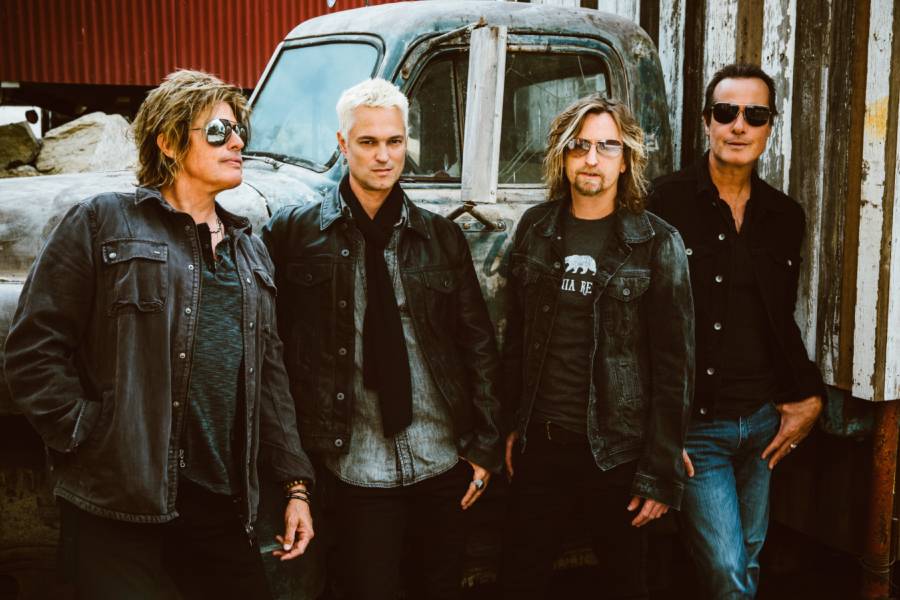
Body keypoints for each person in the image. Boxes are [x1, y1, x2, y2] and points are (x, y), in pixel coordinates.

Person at [3, 69, 315, 599]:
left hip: (218, 500)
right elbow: (33, 349)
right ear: (168, 142)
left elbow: (270, 380)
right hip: (118, 503)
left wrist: (295, 485)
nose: (237, 141)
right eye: (217, 131)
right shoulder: (102, 221)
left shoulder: (250, 250)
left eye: (239, 130)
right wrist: (89, 435)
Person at [262, 78, 503, 600]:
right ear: (342, 143)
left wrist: (484, 448)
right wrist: (295, 474)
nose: (383, 156)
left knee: (440, 588)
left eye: (394, 141)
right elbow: (272, 358)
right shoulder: (293, 235)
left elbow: (477, 344)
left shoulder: (440, 237)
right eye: (367, 142)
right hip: (354, 464)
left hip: (441, 458)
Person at [499, 94, 695, 599]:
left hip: (618, 453)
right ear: (562, 156)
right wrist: (511, 424)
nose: (592, 158)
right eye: (579, 146)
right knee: (519, 581)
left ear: (625, 160)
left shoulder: (657, 242)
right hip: (542, 445)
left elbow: (674, 366)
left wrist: (660, 469)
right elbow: (517, 337)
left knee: (625, 584)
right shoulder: (536, 228)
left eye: (607, 146)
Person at [650, 63, 825, 599]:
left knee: (746, 562)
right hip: (697, 427)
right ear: (707, 121)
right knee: (729, 573)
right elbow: (637, 323)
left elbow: (779, 319)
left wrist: (809, 395)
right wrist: (657, 429)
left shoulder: (784, 215)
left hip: (764, 422)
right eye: (726, 112)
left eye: (755, 115)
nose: (739, 125)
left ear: (770, 126)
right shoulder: (663, 203)